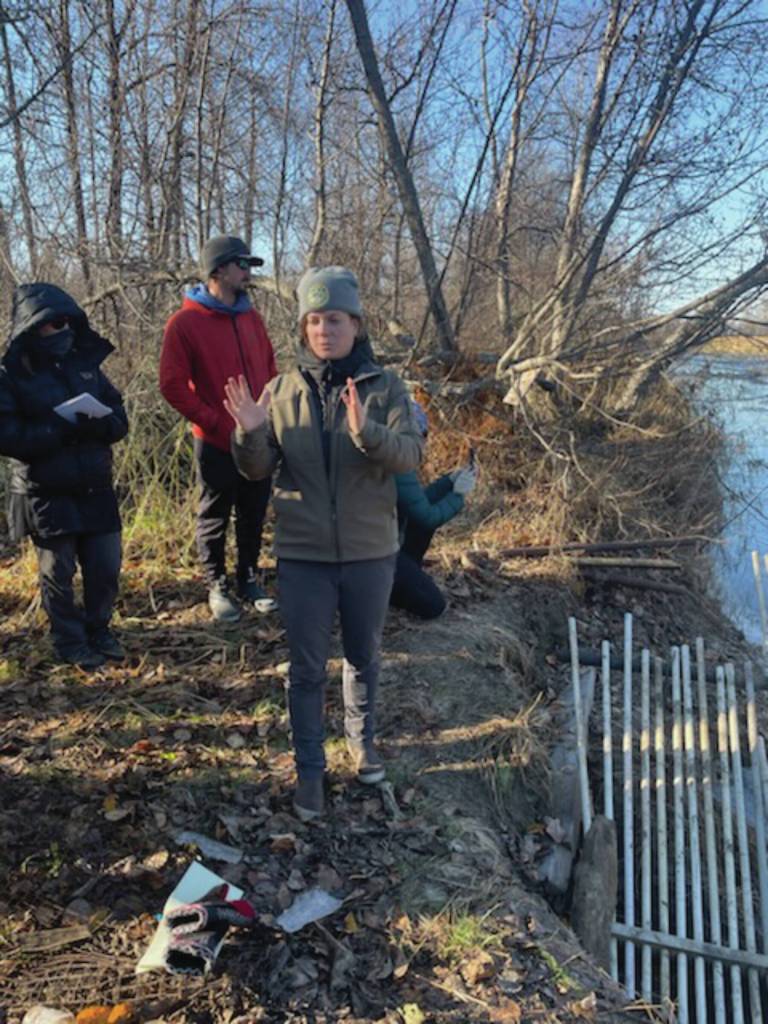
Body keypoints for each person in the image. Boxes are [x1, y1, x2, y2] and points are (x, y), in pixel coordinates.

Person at [224, 266, 422, 821]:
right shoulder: (281, 390)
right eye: (313, 320)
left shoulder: (386, 387)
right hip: (303, 554)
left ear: (356, 323)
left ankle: (362, 743)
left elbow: (409, 457)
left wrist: (368, 434)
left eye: (334, 318)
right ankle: (310, 769)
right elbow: (258, 469)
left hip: (369, 552)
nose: (323, 329)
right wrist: (249, 431)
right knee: (307, 667)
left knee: (363, 656)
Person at [0, 283, 128, 669]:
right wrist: (60, 428)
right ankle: (69, 641)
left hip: (95, 484)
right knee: (58, 574)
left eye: (67, 322)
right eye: (52, 324)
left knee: (105, 567)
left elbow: (119, 418)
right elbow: (7, 435)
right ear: (31, 328)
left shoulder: (85, 364)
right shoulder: (10, 375)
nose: (62, 330)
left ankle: (99, 631)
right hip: (45, 490)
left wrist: (100, 426)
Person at [159, 234, 278, 622]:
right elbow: (172, 385)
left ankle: (248, 577)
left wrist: (267, 414)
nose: (247, 273)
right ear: (219, 270)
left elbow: (270, 369)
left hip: (257, 438)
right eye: (241, 265)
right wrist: (212, 421)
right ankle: (216, 584)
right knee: (214, 513)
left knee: (253, 510)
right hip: (214, 440)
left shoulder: (251, 318)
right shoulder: (184, 323)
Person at [390, 401, 477, 619]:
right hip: (375, 556)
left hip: (373, 550)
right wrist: (457, 496)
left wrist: (448, 482)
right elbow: (428, 517)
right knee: (433, 606)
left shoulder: (390, 455)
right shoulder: (397, 464)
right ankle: (396, 590)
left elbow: (416, 503)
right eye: (423, 434)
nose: (424, 442)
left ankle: (405, 579)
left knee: (417, 525)